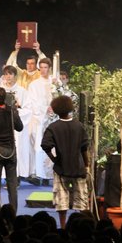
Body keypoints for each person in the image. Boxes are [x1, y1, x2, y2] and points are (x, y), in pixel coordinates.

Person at [41, 95, 90, 229]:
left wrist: (54, 159)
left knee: (61, 201)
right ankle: (83, 228)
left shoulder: (53, 127)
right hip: (78, 167)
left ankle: (63, 228)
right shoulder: (79, 126)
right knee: (81, 201)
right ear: (70, 108)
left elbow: (45, 145)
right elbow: (84, 148)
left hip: (61, 168)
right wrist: (86, 165)